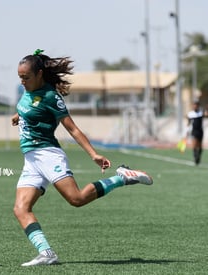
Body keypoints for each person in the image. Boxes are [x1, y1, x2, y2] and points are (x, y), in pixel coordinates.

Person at [11, 49, 153, 266]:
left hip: (48, 155)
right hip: (31, 159)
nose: (22, 81)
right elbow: (29, 106)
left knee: (76, 199)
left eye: (26, 77)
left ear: (39, 74)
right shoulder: (28, 89)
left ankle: (122, 177)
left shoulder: (51, 96)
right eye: (20, 77)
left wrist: (93, 154)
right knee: (20, 208)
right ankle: (47, 253)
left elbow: (73, 130)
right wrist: (19, 115)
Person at [186, 100, 208, 165]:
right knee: (194, 144)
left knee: (200, 145)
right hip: (194, 131)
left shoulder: (201, 113)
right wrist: (187, 131)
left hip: (200, 131)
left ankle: (199, 156)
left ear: (198, 106)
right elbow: (188, 123)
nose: (195, 106)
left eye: (196, 105)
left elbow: (206, 115)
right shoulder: (190, 114)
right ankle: (195, 157)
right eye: (194, 105)